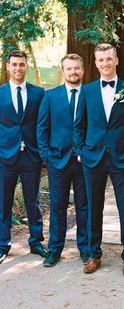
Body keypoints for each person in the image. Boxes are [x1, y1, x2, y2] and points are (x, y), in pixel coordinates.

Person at [74, 43, 124, 276]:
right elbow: (79, 125)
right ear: (96, 63)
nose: (105, 64)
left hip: (122, 157)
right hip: (92, 157)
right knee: (93, 207)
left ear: (116, 61)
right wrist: (81, 150)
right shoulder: (87, 90)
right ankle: (94, 254)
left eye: (108, 59)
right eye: (101, 60)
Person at [37, 54, 89, 267]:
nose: (73, 72)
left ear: (82, 70)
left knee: (84, 207)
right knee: (57, 206)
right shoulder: (50, 97)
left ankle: (85, 249)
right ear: (63, 71)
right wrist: (46, 156)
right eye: (69, 69)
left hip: (85, 162)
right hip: (57, 161)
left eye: (77, 68)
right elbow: (42, 128)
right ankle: (55, 249)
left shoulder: (90, 94)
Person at [0, 50, 47, 264]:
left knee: (33, 201)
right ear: (8, 67)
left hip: (31, 155)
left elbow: (43, 123)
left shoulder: (39, 94)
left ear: (27, 66)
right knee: (3, 202)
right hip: (5, 156)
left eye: (21, 64)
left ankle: (36, 241)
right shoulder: (0, 93)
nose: (18, 68)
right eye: (14, 64)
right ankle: (2, 244)